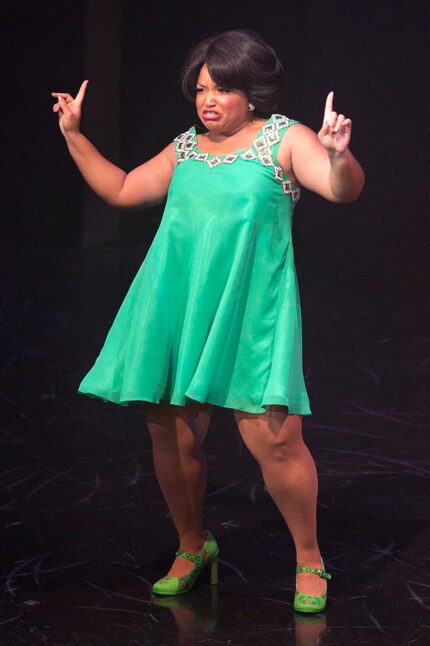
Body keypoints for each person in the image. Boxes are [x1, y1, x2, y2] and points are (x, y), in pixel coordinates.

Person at [52, 29, 364, 612]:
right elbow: (122, 189)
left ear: (252, 91)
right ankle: (194, 547)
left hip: (251, 312)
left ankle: (309, 557)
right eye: (201, 89)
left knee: (274, 439)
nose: (208, 100)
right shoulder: (186, 146)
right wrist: (74, 136)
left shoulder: (285, 138)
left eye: (221, 88)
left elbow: (339, 190)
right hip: (175, 304)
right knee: (170, 433)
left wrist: (339, 155)